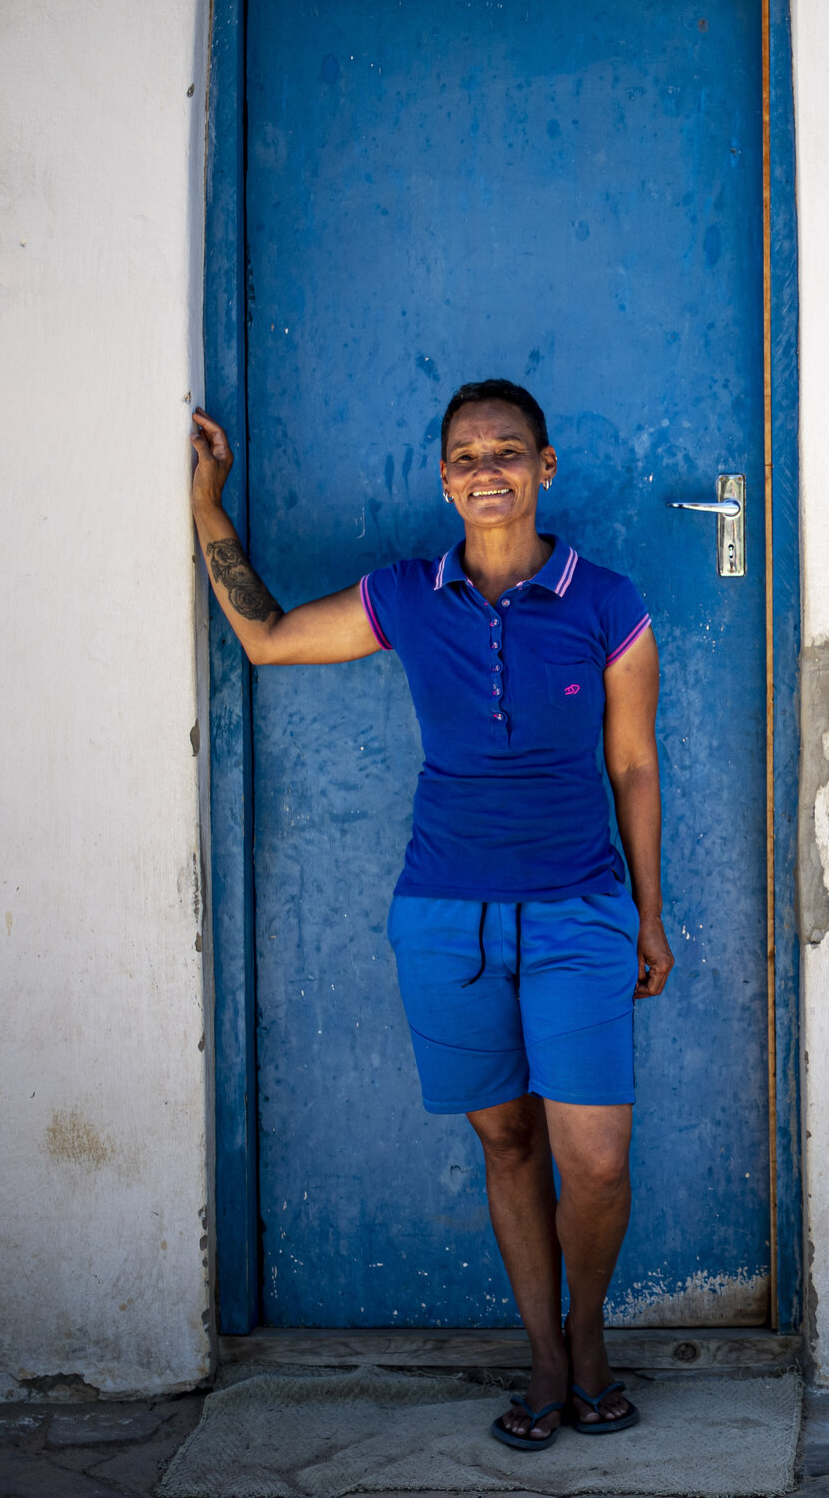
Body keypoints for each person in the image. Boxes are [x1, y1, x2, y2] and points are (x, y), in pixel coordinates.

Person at [188, 379, 672, 1449]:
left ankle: (586, 1330)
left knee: (592, 1160)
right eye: (465, 453)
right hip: (444, 914)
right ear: (443, 476)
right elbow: (266, 637)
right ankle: (544, 1354)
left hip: (580, 910)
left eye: (508, 449)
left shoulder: (609, 600)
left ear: (545, 467)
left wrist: (647, 911)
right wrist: (208, 507)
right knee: (505, 1138)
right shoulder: (407, 594)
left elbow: (632, 762)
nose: (485, 466)